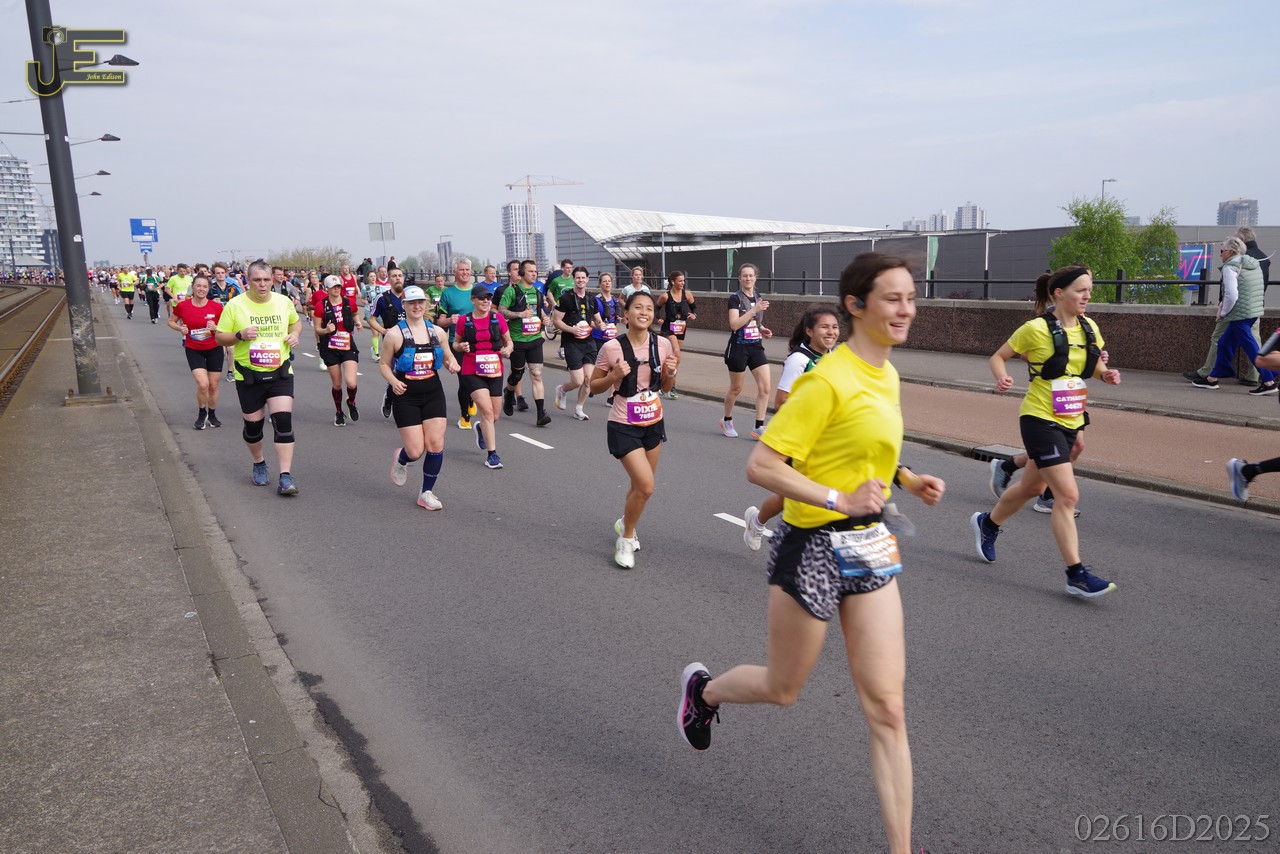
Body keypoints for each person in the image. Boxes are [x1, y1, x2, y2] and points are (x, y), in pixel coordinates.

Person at [678, 253, 944, 854]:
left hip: (869, 543)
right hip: (813, 547)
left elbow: (860, 448)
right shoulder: (826, 380)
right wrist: (837, 498)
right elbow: (762, 465)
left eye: (910, 297)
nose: (906, 309)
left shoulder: (888, 375)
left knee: (888, 708)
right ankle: (705, 694)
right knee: (783, 687)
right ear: (856, 305)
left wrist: (905, 477)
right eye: (893, 298)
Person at [970, 264, 1122, 598]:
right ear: (1059, 293)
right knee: (1067, 496)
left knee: (1031, 488)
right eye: (1081, 290)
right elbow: (999, 356)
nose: (1087, 296)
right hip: (1039, 417)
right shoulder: (1036, 328)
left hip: (1072, 415)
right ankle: (1076, 574)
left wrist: (1106, 374)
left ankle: (988, 523)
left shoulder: (1089, 327)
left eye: (1089, 290)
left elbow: (1094, 365)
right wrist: (1001, 377)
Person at [589, 290, 678, 569]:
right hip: (623, 424)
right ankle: (626, 538)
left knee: (639, 485)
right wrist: (614, 376)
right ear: (625, 314)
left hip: (653, 421)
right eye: (638, 307)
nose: (644, 312)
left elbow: (666, 387)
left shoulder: (663, 344)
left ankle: (626, 522)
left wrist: (671, 373)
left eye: (649, 308)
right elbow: (593, 386)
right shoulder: (611, 348)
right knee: (647, 487)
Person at [743, 306, 841, 550]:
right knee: (795, 495)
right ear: (809, 331)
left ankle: (759, 522)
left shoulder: (834, 356)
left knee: (800, 494)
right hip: (799, 438)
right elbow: (780, 402)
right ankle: (764, 526)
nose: (831, 332)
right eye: (824, 327)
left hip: (825, 439)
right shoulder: (800, 359)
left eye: (835, 327)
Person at [214, 260, 303, 496]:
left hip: (280, 372)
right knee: (253, 428)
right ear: (248, 280)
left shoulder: (283, 302)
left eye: (266, 280)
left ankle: (285, 475)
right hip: (249, 375)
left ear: (272, 280)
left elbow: (295, 322)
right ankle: (259, 463)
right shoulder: (235, 305)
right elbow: (220, 337)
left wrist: (295, 335)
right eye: (257, 280)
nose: (262, 284)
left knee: (283, 423)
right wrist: (239, 335)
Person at [382, 285, 462, 510]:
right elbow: (384, 365)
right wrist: (393, 381)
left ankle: (426, 492)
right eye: (412, 303)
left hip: (433, 392)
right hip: (406, 396)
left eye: (420, 302)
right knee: (416, 451)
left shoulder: (437, 332)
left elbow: (448, 356)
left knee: (435, 443)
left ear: (426, 304)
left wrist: (452, 364)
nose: (416, 307)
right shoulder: (394, 334)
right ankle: (402, 458)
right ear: (404, 305)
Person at [1198, 237, 1275, 394]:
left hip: (1239, 314)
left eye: (1222, 251)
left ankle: (1269, 381)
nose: (1220, 254)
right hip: (1253, 311)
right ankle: (1212, 378)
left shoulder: (1230, 267)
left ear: (1231, 252)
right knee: (1224, 343)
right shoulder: (1253, 264)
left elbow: (1231, 294)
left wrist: (1224, 313)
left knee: (1251, 347)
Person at [452, 284, 514, 470]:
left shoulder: (497, 318)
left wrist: (508, 349)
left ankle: (480, 428)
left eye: (488, 298)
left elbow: (509, 341)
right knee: (486, 412)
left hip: (494, 369)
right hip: (472, 369)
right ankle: (492, 455)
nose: (486, 301)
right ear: (473, 300)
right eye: (482, 298)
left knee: (495, 415)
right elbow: (455, 343)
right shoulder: (464, 320)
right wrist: (460, 347)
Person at [721, 262, 773, 439]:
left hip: (756, 347)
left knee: (765, 387)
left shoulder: (758, 297)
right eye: (744, 275)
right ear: (739, 278)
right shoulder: (735, 298)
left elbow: (754, 322)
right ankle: (727, 420)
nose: (748, 278)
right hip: (738, 347)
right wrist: (754, 310)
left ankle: (759, 426)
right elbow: (734, 324)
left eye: (751, 275)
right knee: (736, 388)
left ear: (755, 278)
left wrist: (762, 329)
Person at [167, 274, 224, 430]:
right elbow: (170, 321)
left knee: (213, 385)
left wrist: (216, 328)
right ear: (192, 287)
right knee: (202, 384)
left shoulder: (216, 307)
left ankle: (212, 414)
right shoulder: (183, 306)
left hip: (214, 348)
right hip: (194, 349)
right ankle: (201, 413)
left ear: (208, 289)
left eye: (205, 286)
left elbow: (227, 328)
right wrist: (180, 328)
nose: (201, 289)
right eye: (198, 286)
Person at [498, 260, 552, 426]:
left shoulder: (537, 293)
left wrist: (545, 319)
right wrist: (519, 315)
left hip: (534, 339)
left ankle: (541, 413)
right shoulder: (512, 291)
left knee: (536, 373)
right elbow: (501, 311)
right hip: (517, 340)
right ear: (522, 273)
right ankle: (509, 393)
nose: (534, 274)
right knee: (517, 374)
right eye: (530, 271)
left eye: (536, 271)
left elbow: (539, 312)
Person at [434, 258, 481, 429]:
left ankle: (471, 399)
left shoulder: (478, 291)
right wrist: (450, 320)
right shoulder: (448, 294)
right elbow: (439, 322)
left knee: (479, 377)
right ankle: (464, 417)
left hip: (479, 342)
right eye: (461, 270)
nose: (465, 273)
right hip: (457, 342)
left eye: (467, 269)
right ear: (455, 273)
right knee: (465, 379)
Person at [553, 266, 603, 421]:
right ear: (574, 279)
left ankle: (579, 409)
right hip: (571, 343)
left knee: (588, 379)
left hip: (589, 343)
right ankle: (562, 390)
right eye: (578, 278)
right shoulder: (566, 298)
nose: (581, 280)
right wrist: (572, 330)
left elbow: (596, 320)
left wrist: (601, 325)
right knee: (578, 381)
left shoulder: (592, 299)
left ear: (587, 279)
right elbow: (556, 321)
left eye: (583, 277)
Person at [315, 274, 363, 426]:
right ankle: (339, 412)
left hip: (347, 344)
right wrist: (326, 330)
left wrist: (358, 322)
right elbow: (317, 328)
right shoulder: (321, 306)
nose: (336, 289)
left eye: (338, 287)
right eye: (333, 287)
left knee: (351, 383)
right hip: (330, 347)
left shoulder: (349, 302)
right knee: (337, 384)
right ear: (327, 289)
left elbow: (355, 313)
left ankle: (351, 402)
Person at [655, 269, 697, 399]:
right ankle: (672, 387)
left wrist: (694, 315)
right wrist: (658, 318)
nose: (683, 283)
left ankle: (666, 381)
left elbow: (694, 308)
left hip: (681, 328)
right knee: (677, 354)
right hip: (668, 328)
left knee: (673, 358)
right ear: (673, 282)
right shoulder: (665, 296)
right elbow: (656, 309)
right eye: (680, 281)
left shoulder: (687, 294)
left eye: (684, 280)